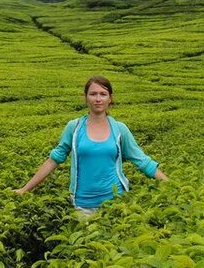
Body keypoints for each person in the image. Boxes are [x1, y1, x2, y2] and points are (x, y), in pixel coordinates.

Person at [12, 75, 168, 217]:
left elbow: (143, 161)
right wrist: (24, 189)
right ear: (86, 98)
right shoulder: (74, 128)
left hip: (117, 202)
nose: (98, 99)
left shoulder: (120, 129)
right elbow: (54, 160)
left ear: (110, 99)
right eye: (93, 94)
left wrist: (172, 185)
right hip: (82, 204)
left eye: (103, 94)